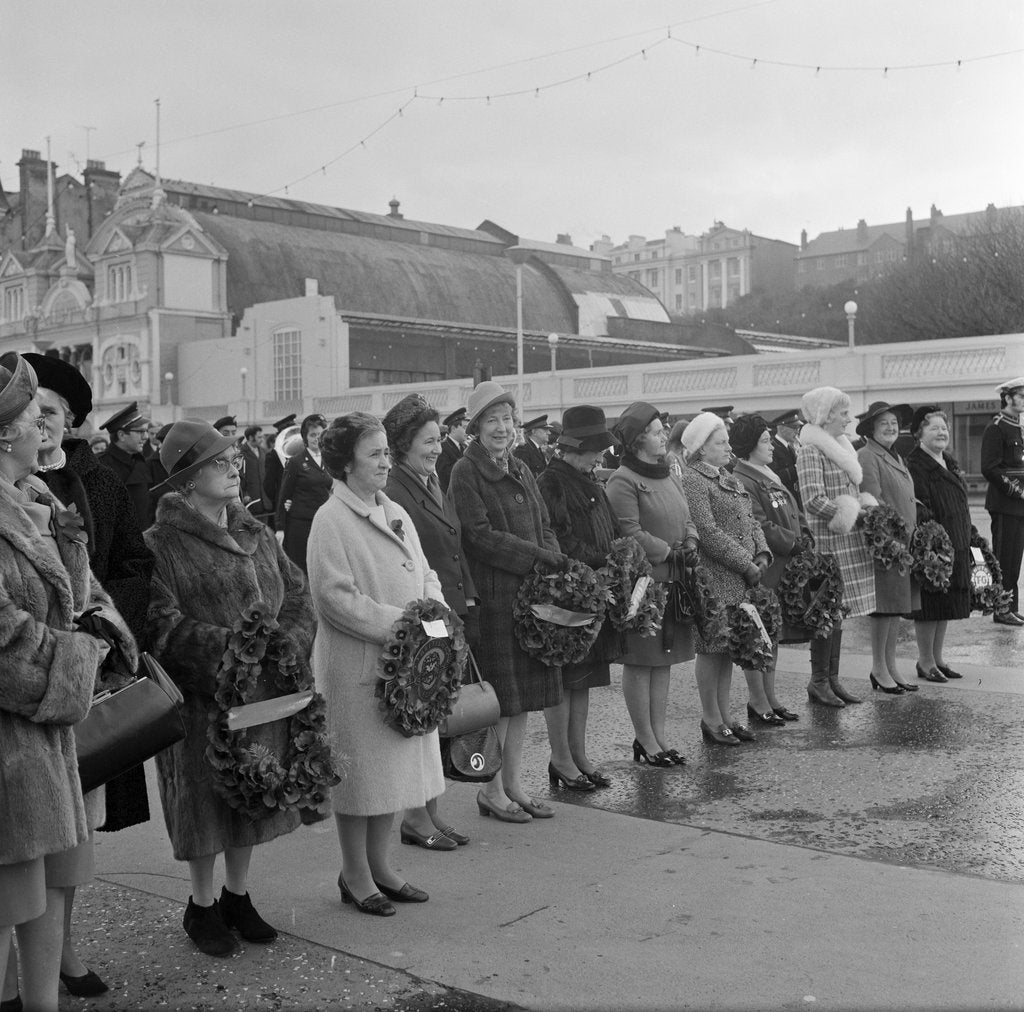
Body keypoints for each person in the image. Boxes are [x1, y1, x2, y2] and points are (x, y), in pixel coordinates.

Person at [144, 421, 316, 956]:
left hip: (263, 692)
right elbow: (161, 625)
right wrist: (235, 652)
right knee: (204, 803)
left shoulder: (255, 531)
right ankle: (201, 906)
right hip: (202, 702)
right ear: (189, 478)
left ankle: (238, 896)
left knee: (253, 792)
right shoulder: (161, 544)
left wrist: (286, 644)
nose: (236, 467)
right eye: (221, 461)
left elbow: (296, 593)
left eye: (236, 457)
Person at [15, 354, 155, 1001]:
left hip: (83, 695)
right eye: (37, 411)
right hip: (33, 700)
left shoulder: (87, 484)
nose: (45, 427)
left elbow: (126, 565)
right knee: (20, 861)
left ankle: (65, 956)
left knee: (69, 847)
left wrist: (104, 633)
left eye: (58, 417)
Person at [308, 412, 444, 917]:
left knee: (390, 775)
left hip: (402, 667)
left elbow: (426, 574)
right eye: (375, 454)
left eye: (388, 452)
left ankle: (382, 867)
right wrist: (405, 626)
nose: (387, 461)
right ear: (345, 464)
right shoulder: (330, 520)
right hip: (358, 669)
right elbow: (335, 599)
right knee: (360, 777)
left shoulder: (396, 512)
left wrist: (435, 612)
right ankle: (355, 874)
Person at [449, 382, 565, 822]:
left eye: (507, 419)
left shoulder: (520, 466)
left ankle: (514, 784)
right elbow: (478, 536)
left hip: (530, 599)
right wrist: (541, 559)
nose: (502, 428)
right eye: (492, 420)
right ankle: (491, 790)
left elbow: (544, 523)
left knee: (523, 701)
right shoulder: (466, 470)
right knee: (499, 702)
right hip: (496, 600)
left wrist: (555, 561)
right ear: (476, 426)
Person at [382, 394, 475, 851]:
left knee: (434, 717)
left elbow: (454, 544)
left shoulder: (430, 479)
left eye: (440, 440)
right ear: (402, 444)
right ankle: (416, 819)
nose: (437, 448)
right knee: (420, 718)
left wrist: (465, 597)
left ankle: (431, 814)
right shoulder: (396, 489)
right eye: (428, 441)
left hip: (445, 609)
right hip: (421, 618)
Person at [605, 401, 697, 765]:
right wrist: (668, 552)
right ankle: (644, 738)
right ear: (640, 439)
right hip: (645, 587)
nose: (664, 437)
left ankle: (659, 735)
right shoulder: (623, 481)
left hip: (675, 582)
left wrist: (690, 542)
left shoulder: (668, 474)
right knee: (642, 663)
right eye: (658, 432)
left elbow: (687, 517)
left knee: (664, 662)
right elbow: (628, 531)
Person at [537, 405, 624, 788]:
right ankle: (561, 758)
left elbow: (611, 527)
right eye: (595, 448)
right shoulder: (552, 481)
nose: (600, 456)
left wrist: (620, 557)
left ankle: (579, 754)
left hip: (594, 591)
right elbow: (557, 537)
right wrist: (600, 561)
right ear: (577, 447)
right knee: (564, 681)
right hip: (570, 595)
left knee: (585, 679)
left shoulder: (588, 478)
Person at [680, 413, 771, 746]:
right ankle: (711, 718)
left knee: (728, 648)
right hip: (715, 575)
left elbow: (752, 520)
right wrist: (746, 563)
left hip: (740, 575)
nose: (728, 447)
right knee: (711, 648)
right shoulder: (694, 479)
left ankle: (726, 716)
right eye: (720, 442)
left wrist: (761, 553)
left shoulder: (729, 477)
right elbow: (706, 531)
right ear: (702, 449)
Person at [796, 387, 876, 707]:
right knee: (827, 610)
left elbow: (847, 493)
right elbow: (813, 500)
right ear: (825, 416)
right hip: (827, 544)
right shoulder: (811, 451)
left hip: (844, 541)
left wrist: (861, 506)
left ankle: (831, 679)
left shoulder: (840, 447)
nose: (849, 418)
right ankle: (818, 681)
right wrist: (847, 512)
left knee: (837, 612)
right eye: (843, 413)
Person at [730, 414, 808, 724]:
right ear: (750, 446)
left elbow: (792, 509)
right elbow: (759, 523)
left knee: (772, 634)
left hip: (783, 565)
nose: (771, 446)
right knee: (758, 635)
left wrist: (805, 535)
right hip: (767, 566)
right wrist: (791, 542)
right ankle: (758, 699)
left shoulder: (766, 472)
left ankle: (771, 695)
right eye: (765, 441)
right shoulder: (744, 478)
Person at [855, 401, 920, 693]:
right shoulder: (868, 456)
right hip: (885, 545)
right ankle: (879, 669)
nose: (892, 427)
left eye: (894, 422)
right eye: (884, 424)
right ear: (871, 429)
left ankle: (891, 666)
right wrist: (893, 539)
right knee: (883, 610)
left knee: (895, 610)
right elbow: (874, 501)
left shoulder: (894, 455)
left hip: (902, 545)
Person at [907, 407, 972, 684]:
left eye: (944, 428)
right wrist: (937, 539)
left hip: (956, 540)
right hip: (934, 545)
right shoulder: (916, 464)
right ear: (918, 433)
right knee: (930, 604)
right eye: (934, 428)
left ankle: (938, 658)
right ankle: (925, 661)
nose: (942, 432)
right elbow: (920, 504)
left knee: (946, 602)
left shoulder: (947, 460)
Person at [980, 376, 1024, 626]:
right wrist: (1018, 491)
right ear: (1007, 398)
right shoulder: (996, 427)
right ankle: (1001, 608)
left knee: (1014, 559)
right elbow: (990, 468)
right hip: (1005, 503)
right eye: (1021, 395)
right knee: (1004, 559)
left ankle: (1011, 607)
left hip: (1018, 506)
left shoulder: (1017, 425)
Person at [276, 414, 329, 573]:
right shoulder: (295, 462)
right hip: (301, 527)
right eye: (312, 435)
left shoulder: (329, 461)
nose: (316, 438)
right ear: (305, 437)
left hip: (324, 524)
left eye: (320, 434)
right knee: (302, 572)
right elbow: (284, 497)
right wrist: (280, 528)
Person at [96, 402, 153, 528]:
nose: (146, 437)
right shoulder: (98, 466)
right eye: (140, 432)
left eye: (146, 431)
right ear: (121, 435)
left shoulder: (140, 462)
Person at [262, 414, 297, 526]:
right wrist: (279, 498)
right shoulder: (273, 456)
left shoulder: (300, 452)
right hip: (283, 508)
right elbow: (268, 486)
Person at [769, 409, 803, 505]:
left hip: (794, 497)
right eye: (794, 427)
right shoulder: (772, 447)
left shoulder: (791, 447)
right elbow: (775, 476)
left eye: (798, 427)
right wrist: (798, 466)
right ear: (782, 428)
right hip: (782, 499)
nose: (797, 431)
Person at [240, 425, 270, 520]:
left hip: (265, 501)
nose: (262, 439)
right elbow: (240, 477)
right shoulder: (241, 453)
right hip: (250, 502)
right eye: (259, 437)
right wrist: (244, 494)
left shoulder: (264, 452)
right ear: (250, 437)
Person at [436, 407, 468, 494]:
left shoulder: (464, 447)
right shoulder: (443, 447)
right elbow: (444, 476)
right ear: (453, 429)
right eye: (465, 427)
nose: (467, 431)